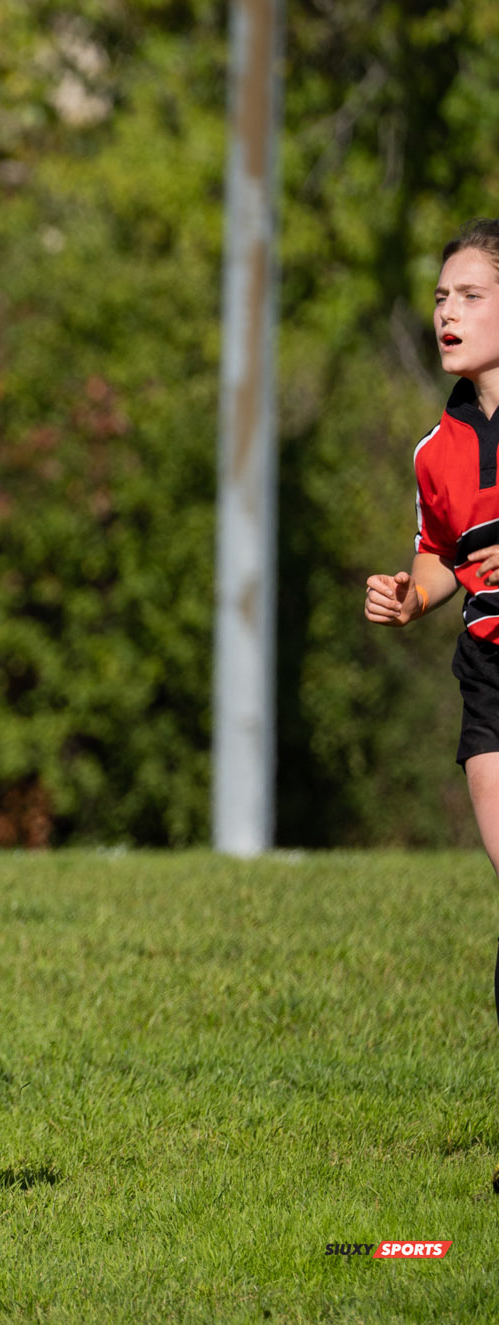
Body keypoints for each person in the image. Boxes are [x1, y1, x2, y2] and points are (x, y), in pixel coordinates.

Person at [365, 219, 499, 1182]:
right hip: (492, 676)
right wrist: (412, 592)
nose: (447, 313)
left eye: (471, 297)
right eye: (443, 297)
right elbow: (445, 552)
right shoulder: (436, 448)